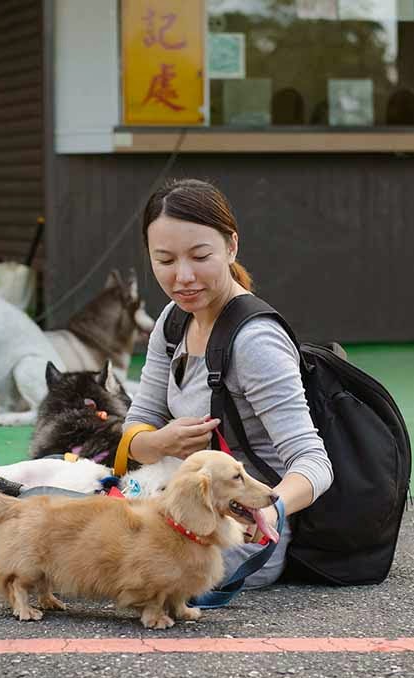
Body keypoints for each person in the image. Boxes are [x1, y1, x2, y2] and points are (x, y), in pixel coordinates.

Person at [121, 178, 333, 588]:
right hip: (174, 506)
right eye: (164, 260)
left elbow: (314, 463)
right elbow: (137, 425)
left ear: (231, 246)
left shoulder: (255, 342)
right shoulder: (172, 321)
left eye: (200, 256)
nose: (182, 277)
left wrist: (268, 511)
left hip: (235, 535)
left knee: (85, 549)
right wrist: (160, 442)